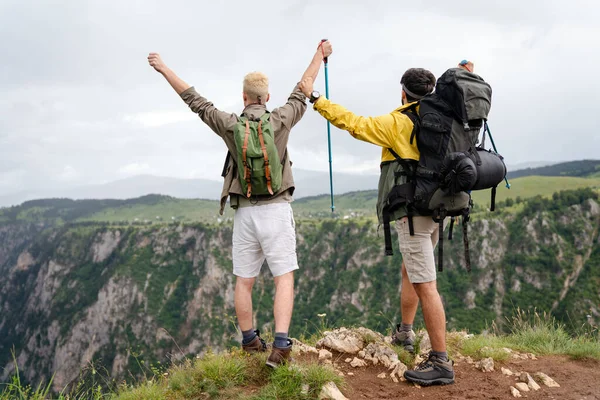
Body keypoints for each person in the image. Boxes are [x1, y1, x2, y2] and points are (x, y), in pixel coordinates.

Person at [148, 40, 333, 368]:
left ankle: (250, 341)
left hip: (245, 213)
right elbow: (302, 89)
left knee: (244, 281)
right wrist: (319, 54)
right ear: (267, 98)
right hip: (277, 210)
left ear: (244, 98)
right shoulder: (281, 119)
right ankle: (280, 346)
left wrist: (164, 68)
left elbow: (195, 101)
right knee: (283, 278)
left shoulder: (230, 125)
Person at [299, 68, 455, 386]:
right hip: (439, 209)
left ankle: (441, 361)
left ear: (403, 93)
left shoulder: (397, 122)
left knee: (426, 284)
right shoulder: (446, 120)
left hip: (412, 215)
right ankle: (406, 334)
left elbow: (354, 124)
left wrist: (315, 98)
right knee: (411, 271)